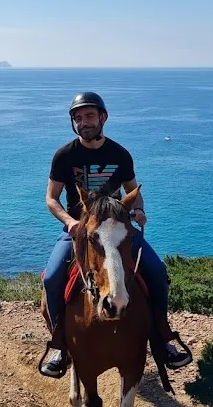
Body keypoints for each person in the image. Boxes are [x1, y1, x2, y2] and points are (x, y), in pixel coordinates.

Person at [40, 91, 193, 379]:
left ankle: (163, 337)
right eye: (78, 118)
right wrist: (70, 222)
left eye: (89, 116)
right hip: (81, 231)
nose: (84, 122)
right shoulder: (64, 156)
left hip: (118, 230)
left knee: (157, 271)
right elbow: (51, 198)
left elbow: (134, 193)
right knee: (52, 278)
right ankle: (60, 344)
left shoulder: (120, 154)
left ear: (103, 118)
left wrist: (139, 210)